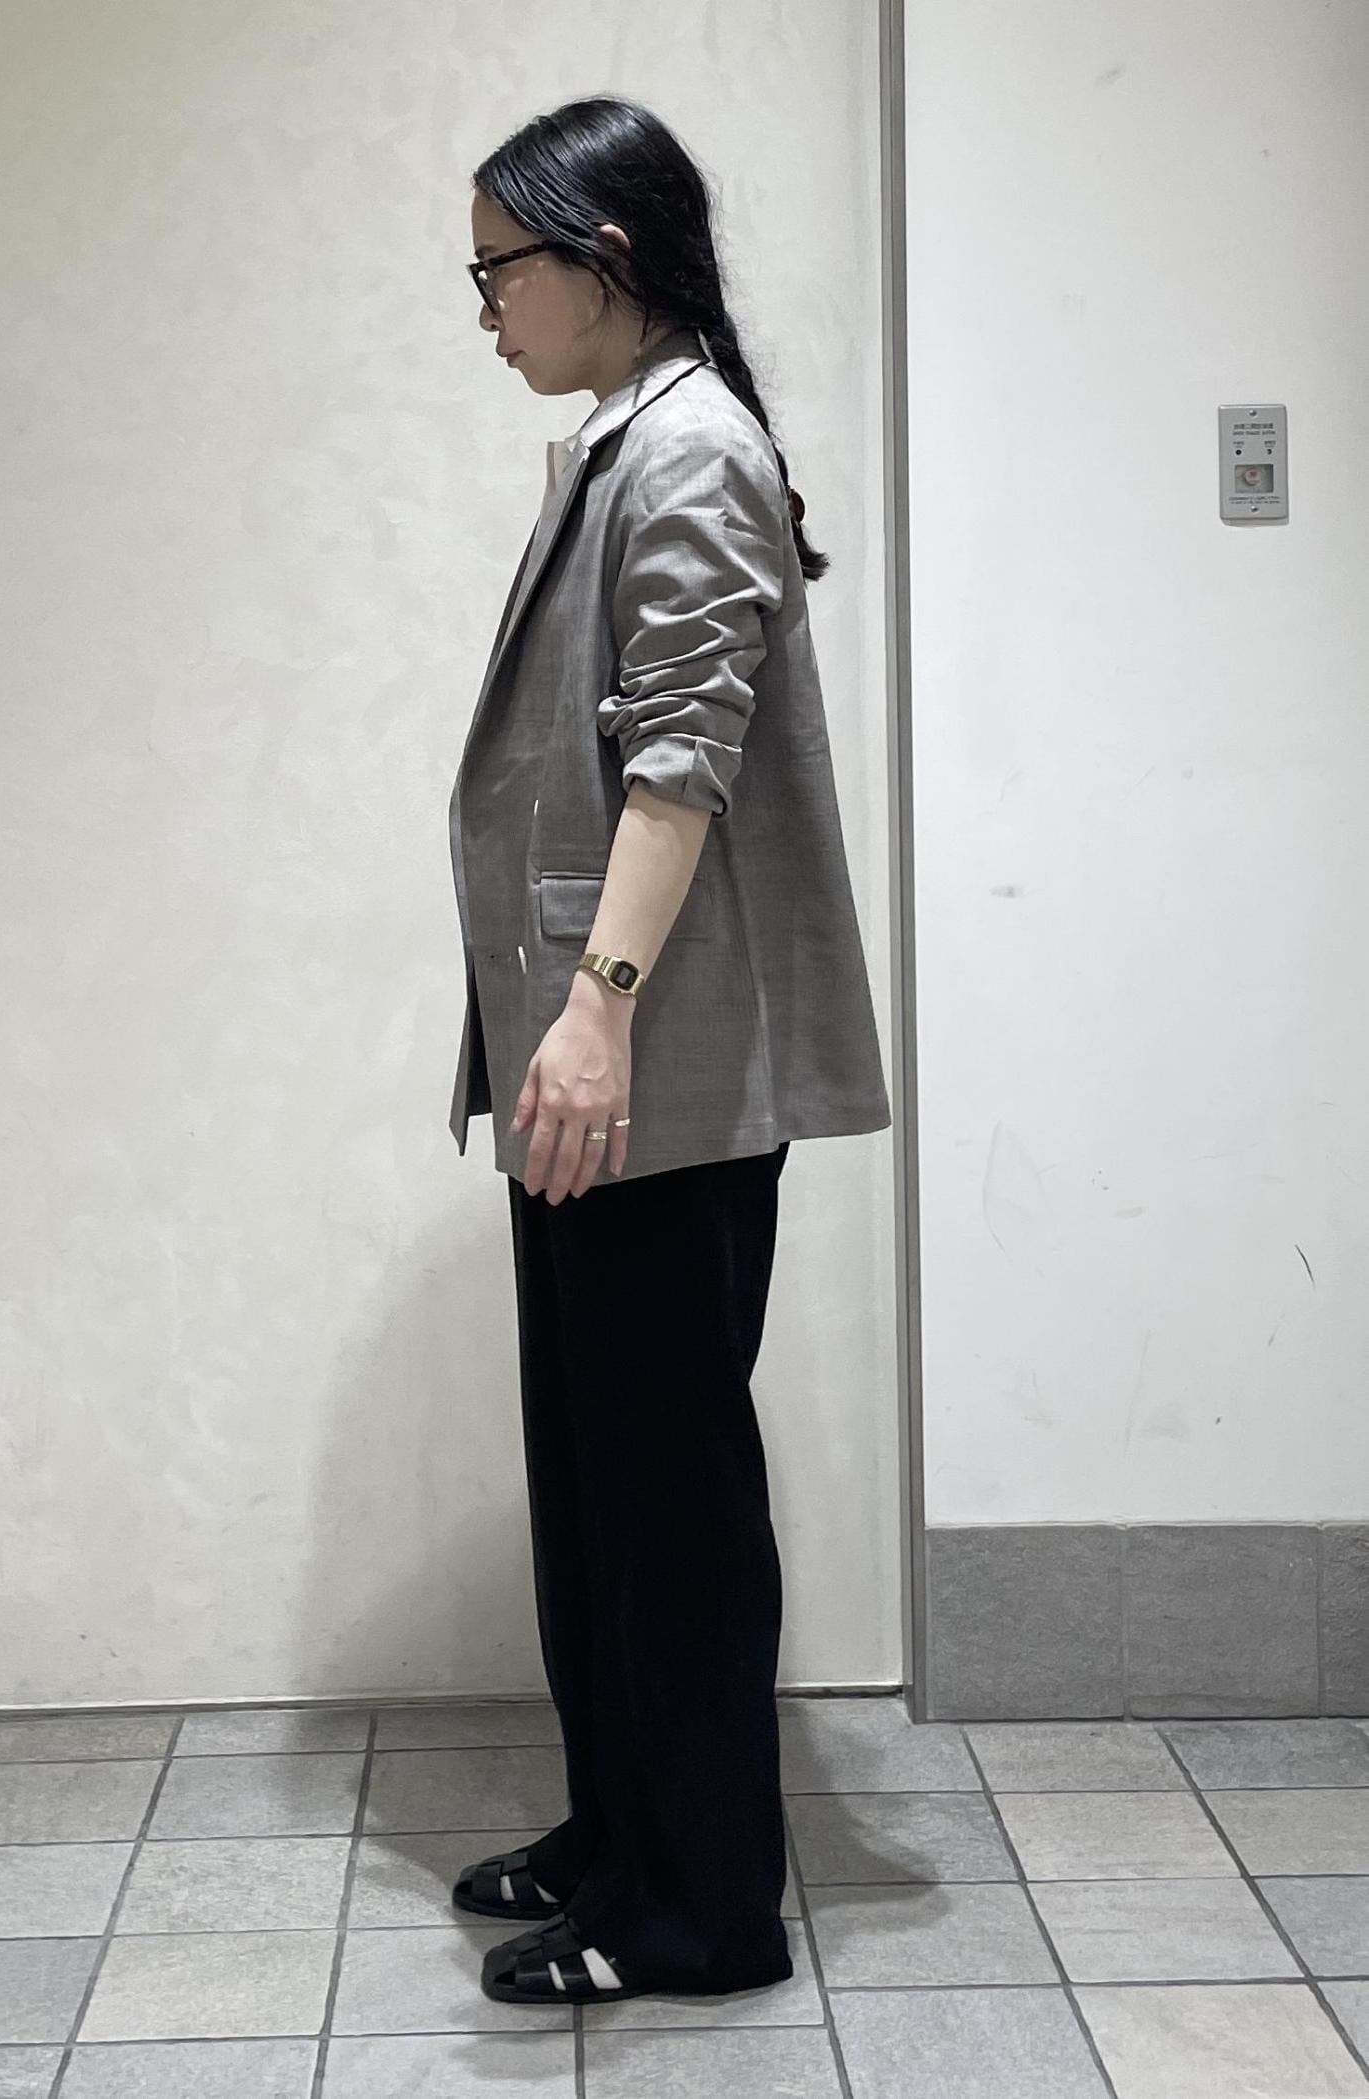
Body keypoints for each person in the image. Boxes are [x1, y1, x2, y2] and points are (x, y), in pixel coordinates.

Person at [446, 95, 892, 2007]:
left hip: (655, 1070)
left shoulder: (692, 450)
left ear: (603, 258)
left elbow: (681, 760)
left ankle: (700, 1911)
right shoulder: (631, 441)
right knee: (600, 1476)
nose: (482, 307)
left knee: (668, 1493)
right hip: (599, 1060)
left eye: (498, 268)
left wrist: (598, 1009)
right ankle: (623, 1829)